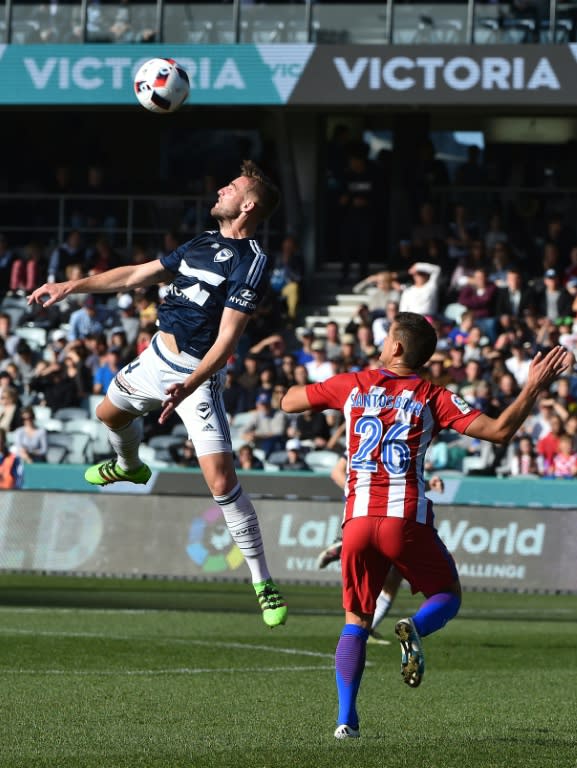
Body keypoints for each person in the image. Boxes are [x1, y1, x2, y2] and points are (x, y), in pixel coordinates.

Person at [281, 311, 572, 739]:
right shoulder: (435, 397)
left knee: (355, 620)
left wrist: (325, 391)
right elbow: (499, 431)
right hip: (405, 518)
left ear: (396, 347)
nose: (381, 345)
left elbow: (289, 401)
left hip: (357, 521)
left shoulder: (353, 384)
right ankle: (415, 626)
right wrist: (532, 386)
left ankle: (346, 720)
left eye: (385, 339)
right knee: (447, 596)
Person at [28, 160, 287, 629]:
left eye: (230, 187)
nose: (220, 190)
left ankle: (262, 582)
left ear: (248, 205)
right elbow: (133, 276)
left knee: (221, 483)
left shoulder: (253, 262)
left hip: (196, 377)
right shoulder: (200, 243)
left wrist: (190, 384)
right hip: (152, 362)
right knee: (109, 416)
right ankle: (129, 466)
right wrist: (70, 285)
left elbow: (227, 341)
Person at [317, 452, 445, 644]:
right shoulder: (387, 435)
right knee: (440, 589)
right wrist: (359, 492)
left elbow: (392, 482)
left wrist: (427, 485)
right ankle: (366, 631)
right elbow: (337, 472)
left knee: (392, 579)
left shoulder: (370, 433)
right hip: (387, 518)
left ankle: (368, 629)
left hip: (365, 518)